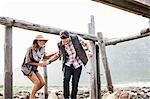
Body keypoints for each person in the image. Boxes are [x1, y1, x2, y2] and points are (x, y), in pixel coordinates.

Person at [49, 31, 93, 99]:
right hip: (68, 64)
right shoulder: (60, 44)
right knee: (66, 80)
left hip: (77, 64)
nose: (64, 41)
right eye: (62, 40)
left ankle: (73, 97)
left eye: (65, 39)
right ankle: (66, 97)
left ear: (69, 37)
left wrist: (90, 51)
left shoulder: (75, 38)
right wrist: (50, 61)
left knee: (75, 83)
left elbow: (86, 43)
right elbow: (58, 54)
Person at [21, 35, 54, 99]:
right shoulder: (30, 49)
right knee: (37, 82)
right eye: (40, 40)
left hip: (34, 68)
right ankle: (32, 96)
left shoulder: (42, 49)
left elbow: (45, 57)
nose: (42, 42)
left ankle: (32, 93)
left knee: (42, 83)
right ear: (36, 41)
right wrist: (40, 64)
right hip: (27, 67)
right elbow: (27, 62)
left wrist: (55, 54)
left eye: (44, 41)